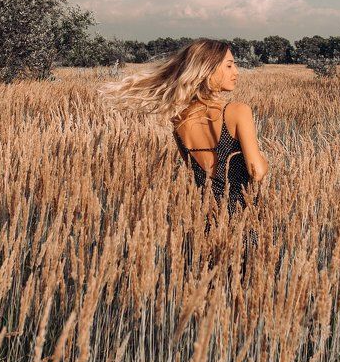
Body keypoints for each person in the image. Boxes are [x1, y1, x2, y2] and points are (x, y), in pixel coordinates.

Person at [97, 38, 269, 262]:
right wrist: (263, 159)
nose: (236, 72)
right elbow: (257, 172)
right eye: (229, 65)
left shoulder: (179, 118)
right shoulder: (238, 111)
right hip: (242, 218)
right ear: (207, 70)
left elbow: (196, 172)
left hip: (204, 220)